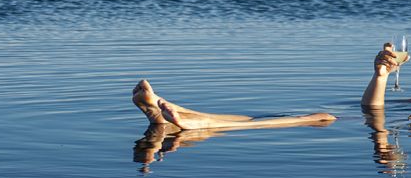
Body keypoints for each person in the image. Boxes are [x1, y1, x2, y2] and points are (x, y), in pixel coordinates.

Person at [132, 79, 336, 130]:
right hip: (358, 113)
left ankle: (193, 120)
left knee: (321, 117)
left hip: (335, 117)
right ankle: (177, 112)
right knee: (249, 119)